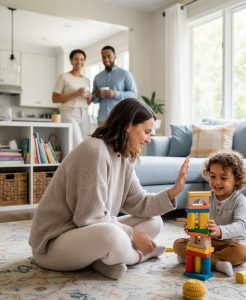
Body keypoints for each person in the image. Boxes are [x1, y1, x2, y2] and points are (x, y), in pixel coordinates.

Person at [29, 98, 189, 280]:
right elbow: (89, 218)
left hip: (84, 236)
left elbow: (139, 202)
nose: (148, 139)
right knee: (111, 235)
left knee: (155, 221)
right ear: (128, 126)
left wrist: (174, 191)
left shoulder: (124, 156)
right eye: (146, 132)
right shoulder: (94, 151)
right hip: (54, 243)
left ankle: (102, 261)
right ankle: (140, 256)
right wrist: (132, 234)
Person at [173, 150, 246, 276]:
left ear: (236, 180)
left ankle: (198, 258)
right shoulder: (205, 197)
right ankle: (217, 263)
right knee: (177, 244)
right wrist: (193, 226)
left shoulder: (239, 200)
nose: (217, 182)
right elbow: (199, 222)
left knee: (243, 252)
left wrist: (219, 230)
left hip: (231, 243)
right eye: (212, 176)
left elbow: (241, 226)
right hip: (208, 242)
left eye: (224, 178)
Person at [52, 49, 92, 148]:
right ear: (71, 61)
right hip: (69, 113)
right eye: (76, 59)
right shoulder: (64, 77)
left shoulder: (87, 80)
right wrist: (76, 94)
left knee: (86, 145)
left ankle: (83, 164)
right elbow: (55, 98)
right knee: (77, 144)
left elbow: (87, 103)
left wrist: (90, 98)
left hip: (85, 114)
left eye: (82, 59)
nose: (79, 62)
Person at [92, 45, 137, 125]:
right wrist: (97, 95)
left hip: (120, 118)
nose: (106, 59)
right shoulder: (97, 77)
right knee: (101, 138)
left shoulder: (125, 74)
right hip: (102, 120)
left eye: (109, 56)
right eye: (103, 57)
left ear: (115, 56)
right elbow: (94, 100)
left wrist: (115, 94)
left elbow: (133, 95)